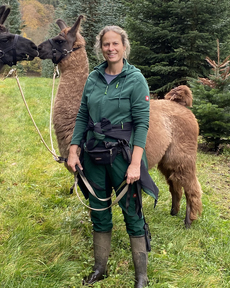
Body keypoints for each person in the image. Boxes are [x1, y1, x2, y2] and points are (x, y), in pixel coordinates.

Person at [67, 25, 158, 288]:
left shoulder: (135, 79)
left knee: (132, 212)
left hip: (123, 156)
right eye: (106, 44)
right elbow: (83, 115)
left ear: (124, 46)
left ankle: (141, 276)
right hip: (94, 153)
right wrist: (74, 150)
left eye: (115, 44)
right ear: (101, 47)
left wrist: (135, 164)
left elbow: (142, 124)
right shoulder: (94, 77)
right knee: (99, 211)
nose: (111, 48)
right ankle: (100, 269)